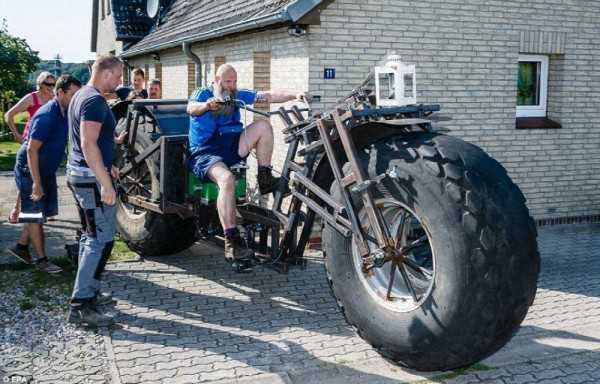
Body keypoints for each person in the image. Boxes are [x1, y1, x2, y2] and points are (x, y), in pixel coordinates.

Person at [187, 63, 312, 261]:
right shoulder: (202, 93)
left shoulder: (236, 95)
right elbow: (191, 108)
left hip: (231, 146)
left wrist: (295, 94)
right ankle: (231, 241)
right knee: (227, 180)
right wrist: (206, 106)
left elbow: (268, 95)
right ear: (216, 80)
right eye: (228, 81)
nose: (231, 85)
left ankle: (264, 177)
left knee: (263, 126)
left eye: (234, 81)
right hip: (206, 152)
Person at [66, 54, 124, 327]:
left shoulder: (81, 95)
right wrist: (105, 182)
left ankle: (91, 292)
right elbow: (87, 144)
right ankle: (80, 305)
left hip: (83, 175)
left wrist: (111, 148)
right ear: (106, 74)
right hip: (90, 180)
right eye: (119, 75)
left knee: (94, 238)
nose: (121, 80)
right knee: (97, 240)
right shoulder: (93, 100)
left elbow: (91, 139)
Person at [9, 75, 82, 273]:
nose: (76, 99)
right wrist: (36, 183)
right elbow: (32, 150)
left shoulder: (66, 111)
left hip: (45, 169)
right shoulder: (46, 115)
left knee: (40, 212)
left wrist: (115, 139)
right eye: (73, 94)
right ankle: (42, 261)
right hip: (29, 168)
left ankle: (21, 248)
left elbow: (84, 128)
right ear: (59, 93)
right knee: (33, 215)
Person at [5, 72, 56, 224]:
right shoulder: (31, 98)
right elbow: (9, 114)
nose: (52, 88)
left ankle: (45, 210)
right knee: (28, 177)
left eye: (54, 84)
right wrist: (16, 134)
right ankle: (16, 208)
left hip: (48, 143)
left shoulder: (54, 99)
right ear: (40, 85)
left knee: (44, 176)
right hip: (32, 141)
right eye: (49, 84)